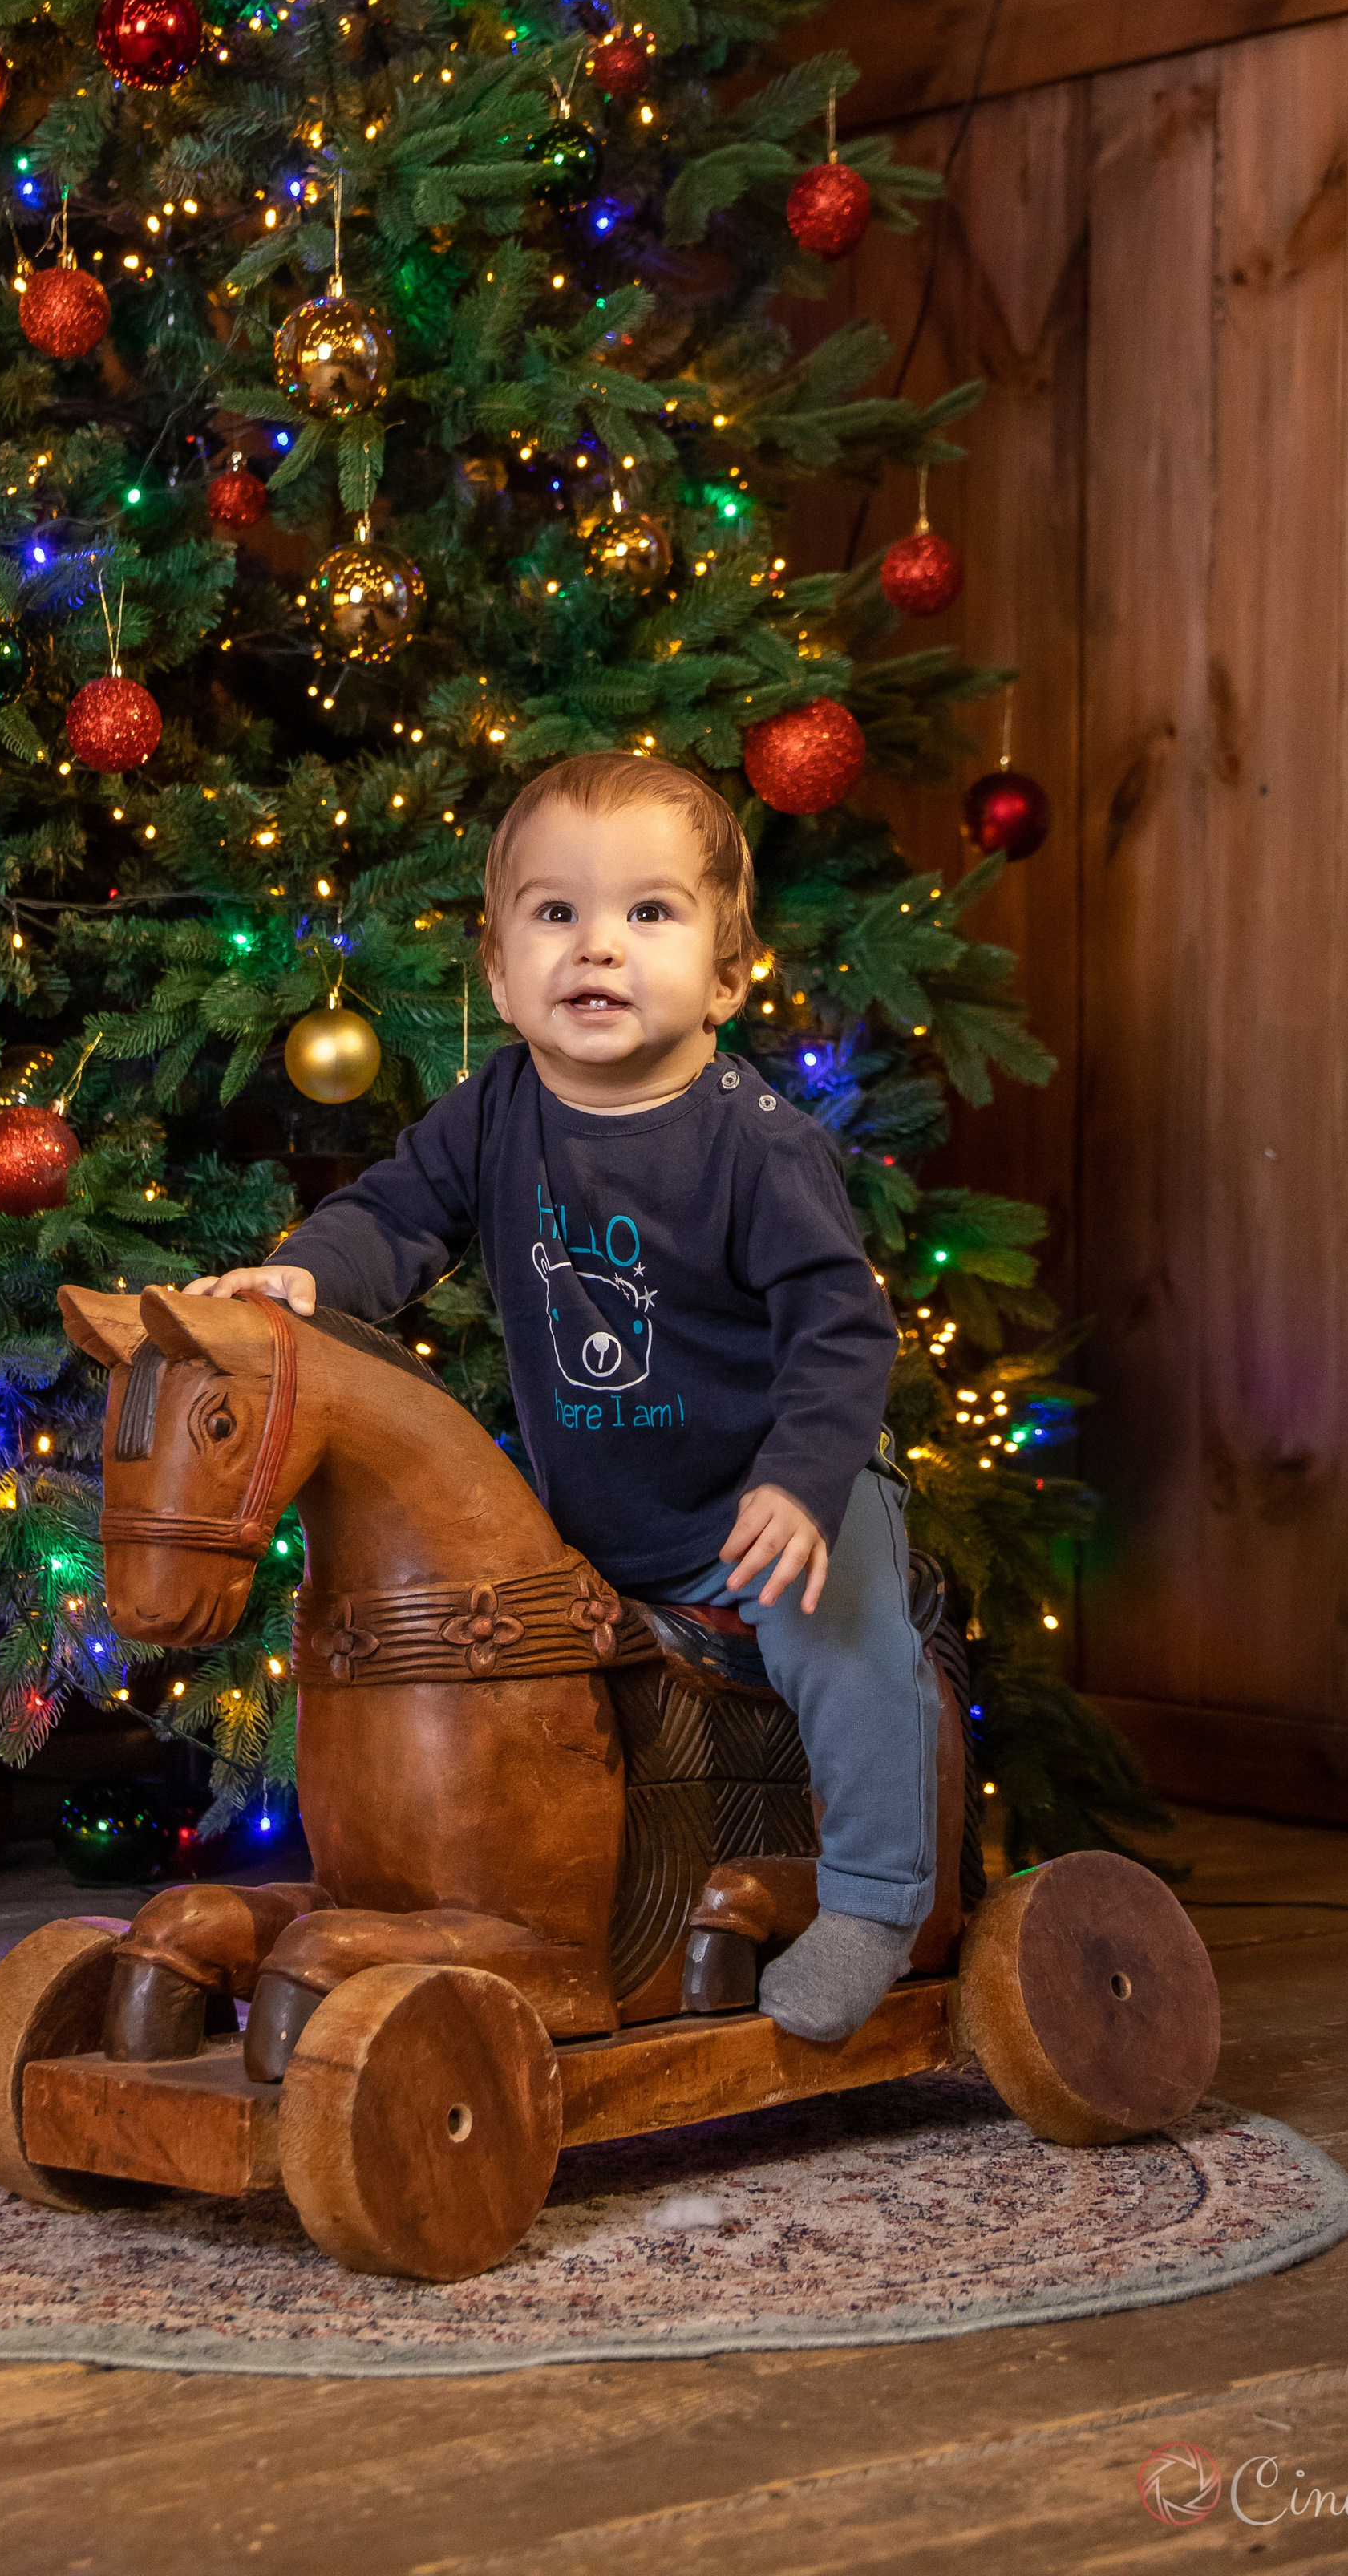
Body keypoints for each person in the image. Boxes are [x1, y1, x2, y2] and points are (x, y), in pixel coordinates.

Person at [184, 750, 939, 2043]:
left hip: (772, 1495)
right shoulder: (494, 1113)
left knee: (842, 1636)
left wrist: (803, 1484)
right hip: (595, 1510)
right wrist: (308, 1277)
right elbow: (395, 1217)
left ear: (727, 976)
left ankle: (875, 1900)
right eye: (555, 913)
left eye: (649, 912)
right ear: (499, 973)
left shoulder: (757, 1143)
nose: (598, 945)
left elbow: (840, 1328)